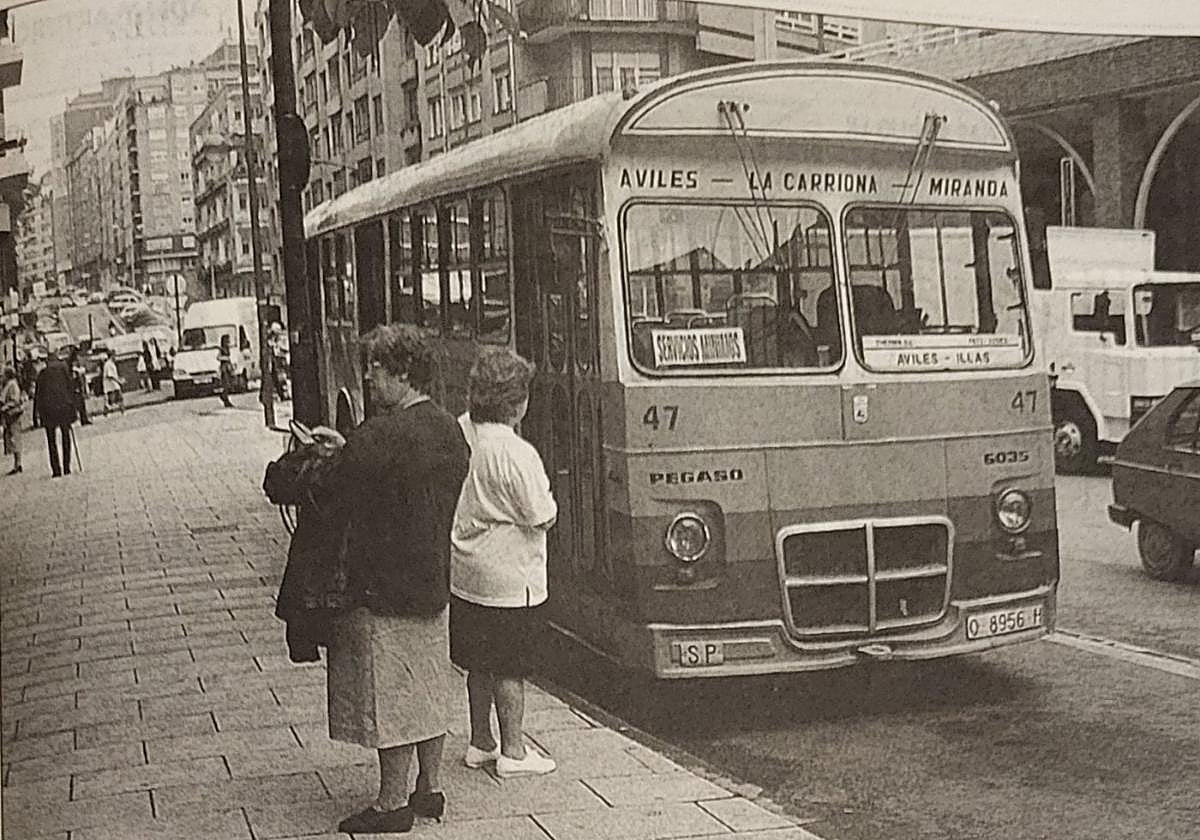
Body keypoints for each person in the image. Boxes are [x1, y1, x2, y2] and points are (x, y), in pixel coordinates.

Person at [311, 324, 469, 835]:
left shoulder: (378, 434)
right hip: (433, 578)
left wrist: (337, 453)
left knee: (393, 696)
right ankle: (429, 789)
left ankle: (391, 804)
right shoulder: (449, 429)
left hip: (382, 585)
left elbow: (339, 490)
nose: (370, 378)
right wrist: (350, 446)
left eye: (377, 369)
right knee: (428, 686)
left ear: (402, 372)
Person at [450, 348, 558, 778]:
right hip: (509, 579)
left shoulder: (459, 433)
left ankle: (480, 742)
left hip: (466, 571)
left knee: (477, 661)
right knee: (510, 666)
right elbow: (541, 514)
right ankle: (514, 751)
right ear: (517, 404)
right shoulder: (516, 452)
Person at [34, 350, 78, 478]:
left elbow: (38, 396)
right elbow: (70, 388)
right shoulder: (63, 369)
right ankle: (67, 466)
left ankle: (56, 470)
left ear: (47, 362)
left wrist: (37, 415)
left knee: (51, 441)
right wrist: (73, 408)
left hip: (49, 411)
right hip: (64, 408)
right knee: (66, 436)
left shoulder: (42, 374)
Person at [1, 366, 24, 475]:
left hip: (13, 414)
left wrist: (5, 407)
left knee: (15, 438)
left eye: (3, 375)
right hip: (9, 415)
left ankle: (18, 464)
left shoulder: (12, 385)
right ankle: (17, 463)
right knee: (12, 438)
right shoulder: (8, 385)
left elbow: (15, 400)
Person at [69, 350, 91, 426]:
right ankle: (82, 419)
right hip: (76, 389)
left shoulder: (74, 368)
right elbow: (75, 378)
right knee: (79, 405)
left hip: (78, 388)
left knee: (81, 404)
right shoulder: (73, 369)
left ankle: (83, 419)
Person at [216, 333, 234, 408]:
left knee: (229, 384)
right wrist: (225, 358)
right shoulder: (221, 349)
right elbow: (218, 357)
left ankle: (225, 397)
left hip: (228, 367)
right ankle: (225, 398)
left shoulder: (227, 348)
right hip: (224, 368)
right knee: (226, 384)